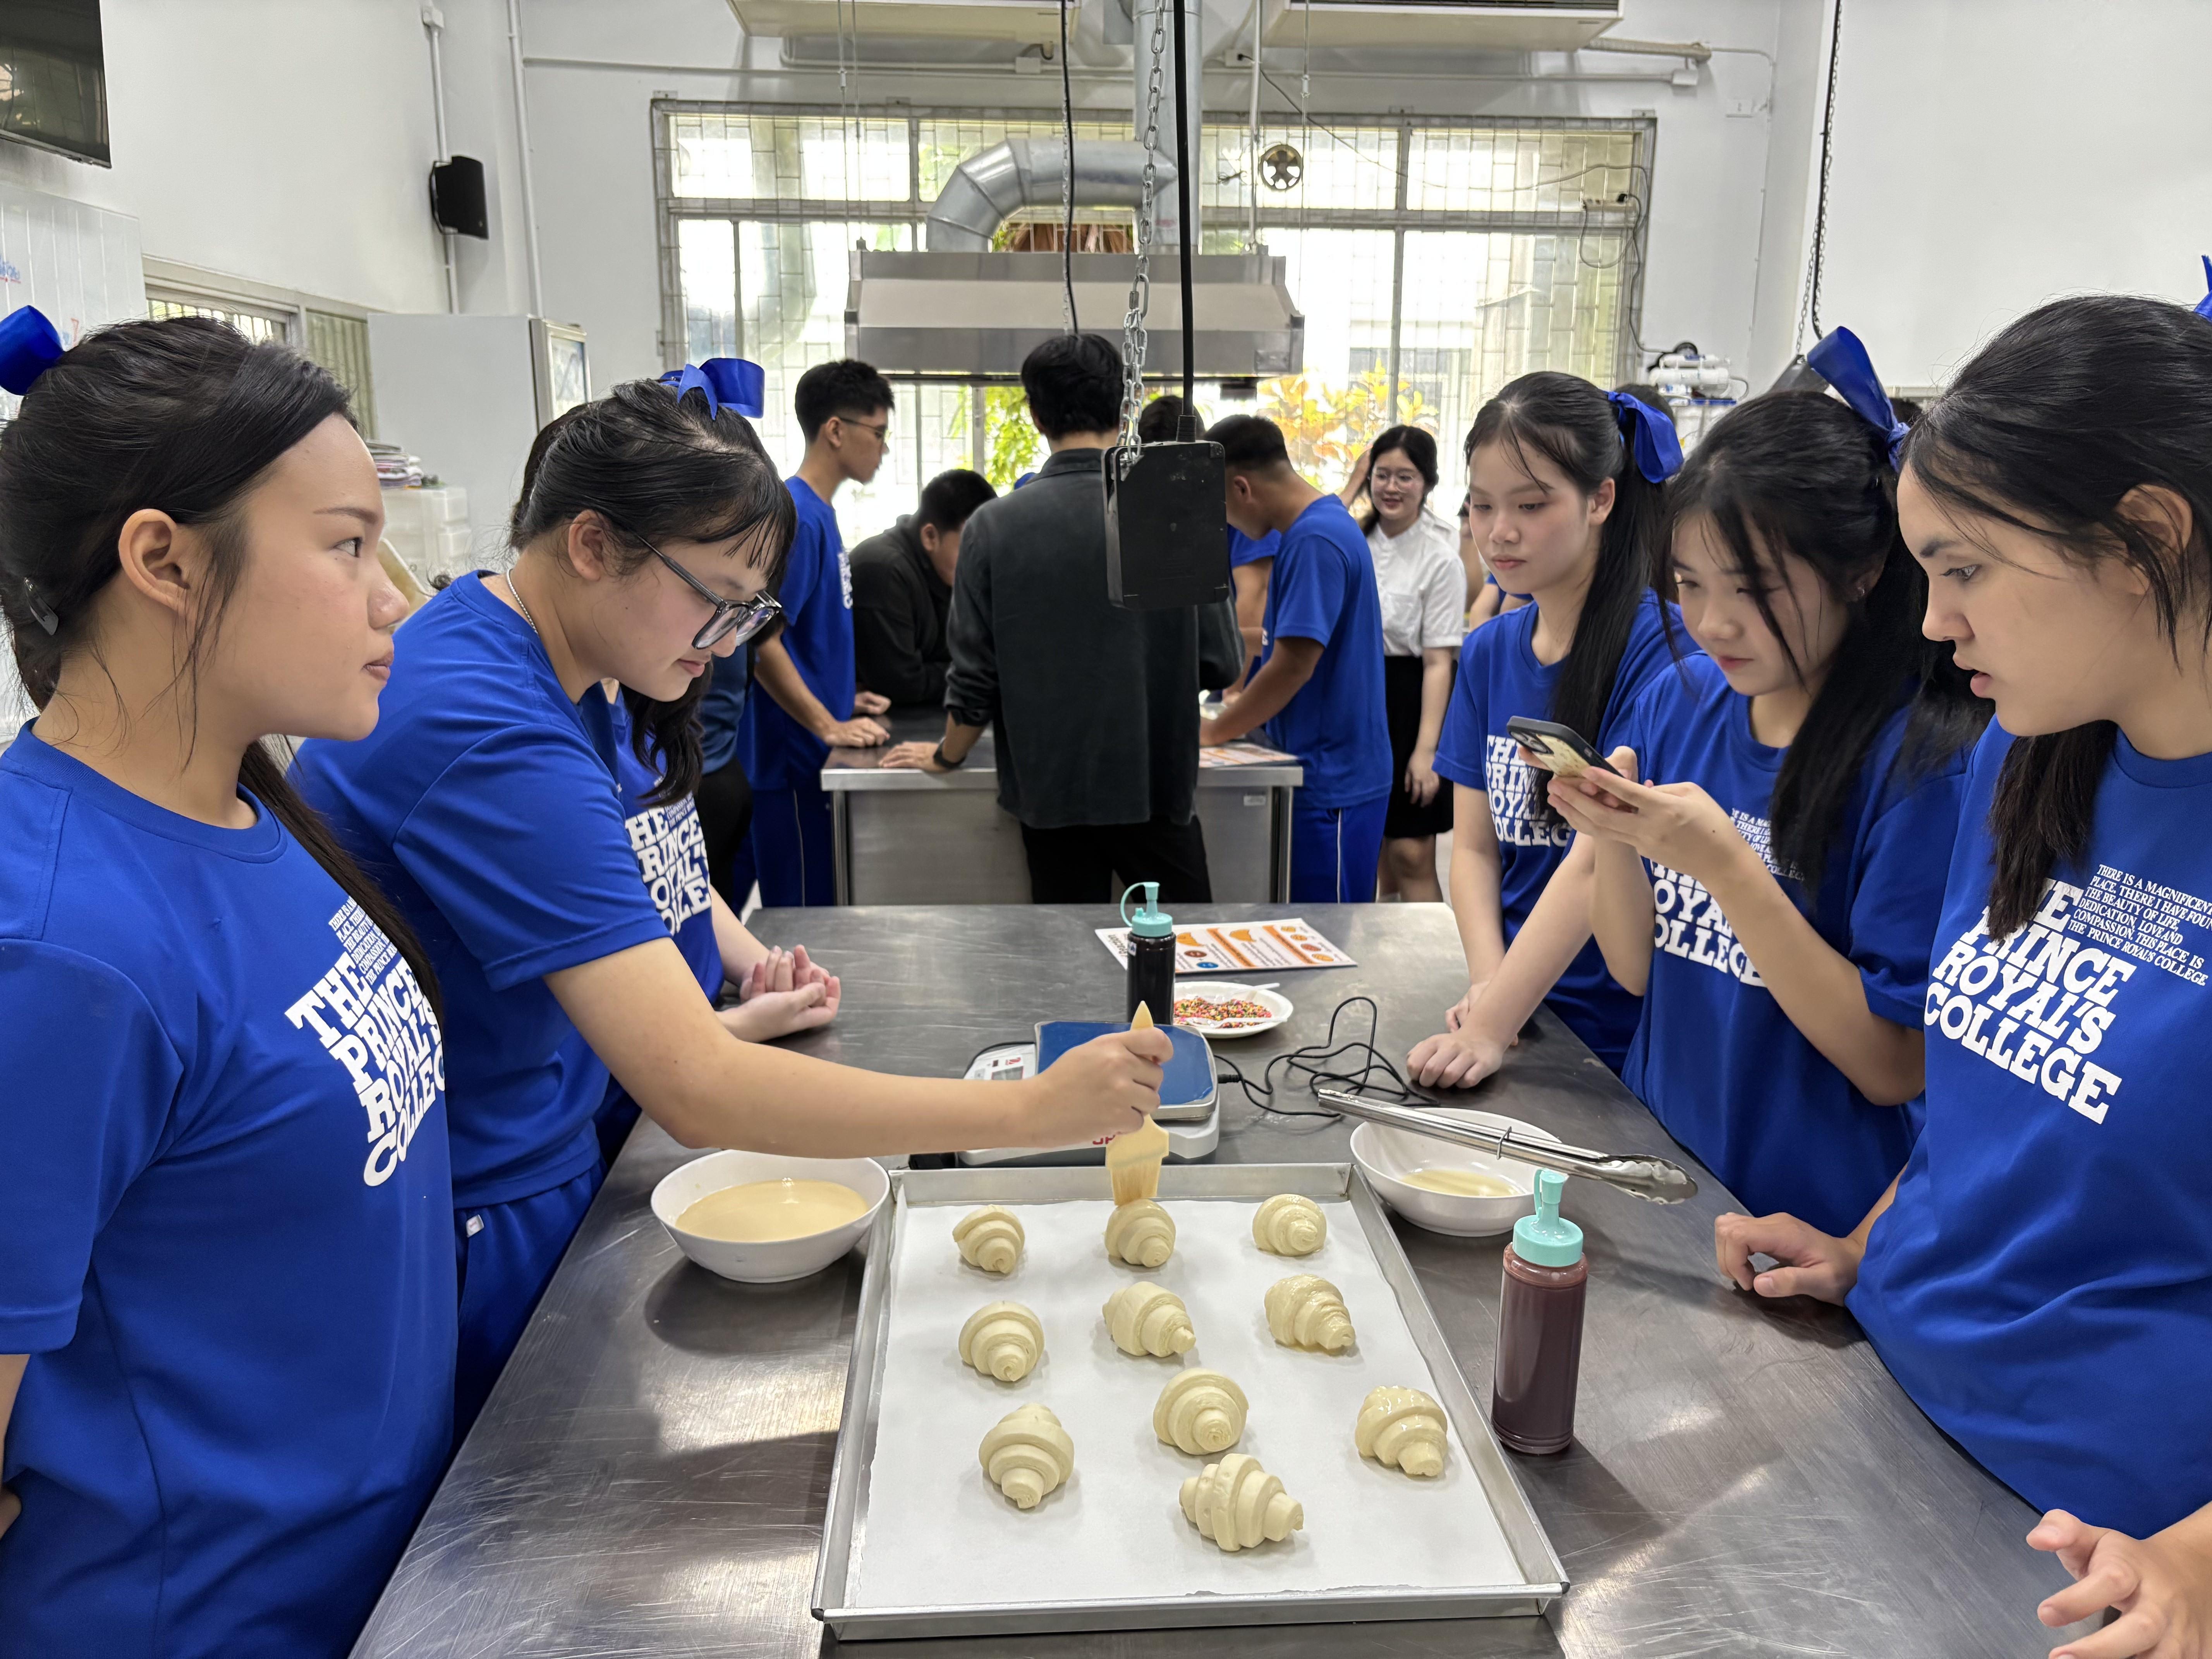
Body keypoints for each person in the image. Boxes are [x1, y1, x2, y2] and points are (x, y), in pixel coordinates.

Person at [295, 374, 1171, 1437]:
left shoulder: (564, 661)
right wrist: (1030, 1114)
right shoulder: (489, 725)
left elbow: (630, 877)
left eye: (748, 613)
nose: (724, 641)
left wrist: (726, 988)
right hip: (481, 1195)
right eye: (716, 599)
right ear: (592, 544)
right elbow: (696, 1090)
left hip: (549, 1137)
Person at [1719, 294, 2212, 1657]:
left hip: (2095, 1550)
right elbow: (1986, 1107)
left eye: (1966, 570)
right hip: (1886, 1412)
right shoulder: (2024, 753)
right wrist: (1865, 1247)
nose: (1933, 622)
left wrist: (2197, 1560)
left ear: (2147, 539)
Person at [0, 314, 451, 1656]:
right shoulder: (58, 945)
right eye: (349, 546)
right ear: (165, 561)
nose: (394, 602)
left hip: (373, 1580)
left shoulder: (252, 809)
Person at [1498, 357, 1986, 1233]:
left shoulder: (1919, 768)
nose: (1713, 623)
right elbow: (1636, 968)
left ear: (1862, 570)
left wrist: (1726, 866)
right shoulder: (1680, 701)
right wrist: (1611, 833)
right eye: (1689, 585)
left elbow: (1892, 1066)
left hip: (1802, 1226)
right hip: (1663, 1176)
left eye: (1753, 589)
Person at [881, 339, 1238, 902]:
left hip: (1052, 798)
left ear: (1036, 415)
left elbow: (975, 682)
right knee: (1181, 948)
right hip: (1156, 788)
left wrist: (947, 754)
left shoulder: (993, 527)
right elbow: (1221, 662)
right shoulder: (1175, 512)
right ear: (1125, 407)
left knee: (1067, 952)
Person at [1408, 374, 1680, 1076]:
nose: (1500, 531)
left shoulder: (1667, 655)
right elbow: (1473, 849)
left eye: (1531, 505)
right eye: (1482, 504)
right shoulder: (1491, 650)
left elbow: (1595, 859)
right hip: (1518, 1016)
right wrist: (1489, 985)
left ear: (1601, 499)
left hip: (1619, 1038)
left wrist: (1492, 1022)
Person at [576, 682, 841, 1167]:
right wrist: (734, 1029)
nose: (723, 649)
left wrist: (763, 968)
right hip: (635, 1111)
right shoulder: (562, 750)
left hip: (703, 1046)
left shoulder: (638, 711)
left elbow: (680, 872)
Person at [1199, 414, 1391, 901]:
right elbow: (1279, 642)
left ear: (1241, 488)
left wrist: (1214, 732)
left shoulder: (1314, 541)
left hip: (1332, 782)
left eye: (1220, 506)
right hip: (1325, 772)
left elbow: (1292, 665)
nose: (1226, 522)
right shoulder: (1318, 527)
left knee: (1328, 930)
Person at [738, 359, 896, 906]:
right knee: (804, 918)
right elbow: (760, 641)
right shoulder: (798, 518)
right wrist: (828, 724)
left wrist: (840, 696)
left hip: (812, 755)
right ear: (835, 430)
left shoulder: (819, 514)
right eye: (877, 433)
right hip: (793, 762)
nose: (883, 449)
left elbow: (805, 635)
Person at [1345, 426, 1463, 901]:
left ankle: (1432, 950)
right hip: (1358, 698)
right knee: (1372, 847)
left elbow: (1438, 663)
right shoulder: (1353, 540)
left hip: (1411, 703)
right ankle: (1383, 946)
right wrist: (1351, 487)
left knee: (1410, 852)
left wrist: (1426, 751)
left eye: (1406, 477)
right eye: (1382, 475)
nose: (1391, 487)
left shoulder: (1441, 558)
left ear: (1427, 483)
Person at [849, 467, 995, 710]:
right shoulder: (883, 571)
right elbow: (901, 682)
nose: (981, 563)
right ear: (930, 537)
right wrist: (979, 674)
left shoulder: (945, 570)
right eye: (971, 549)